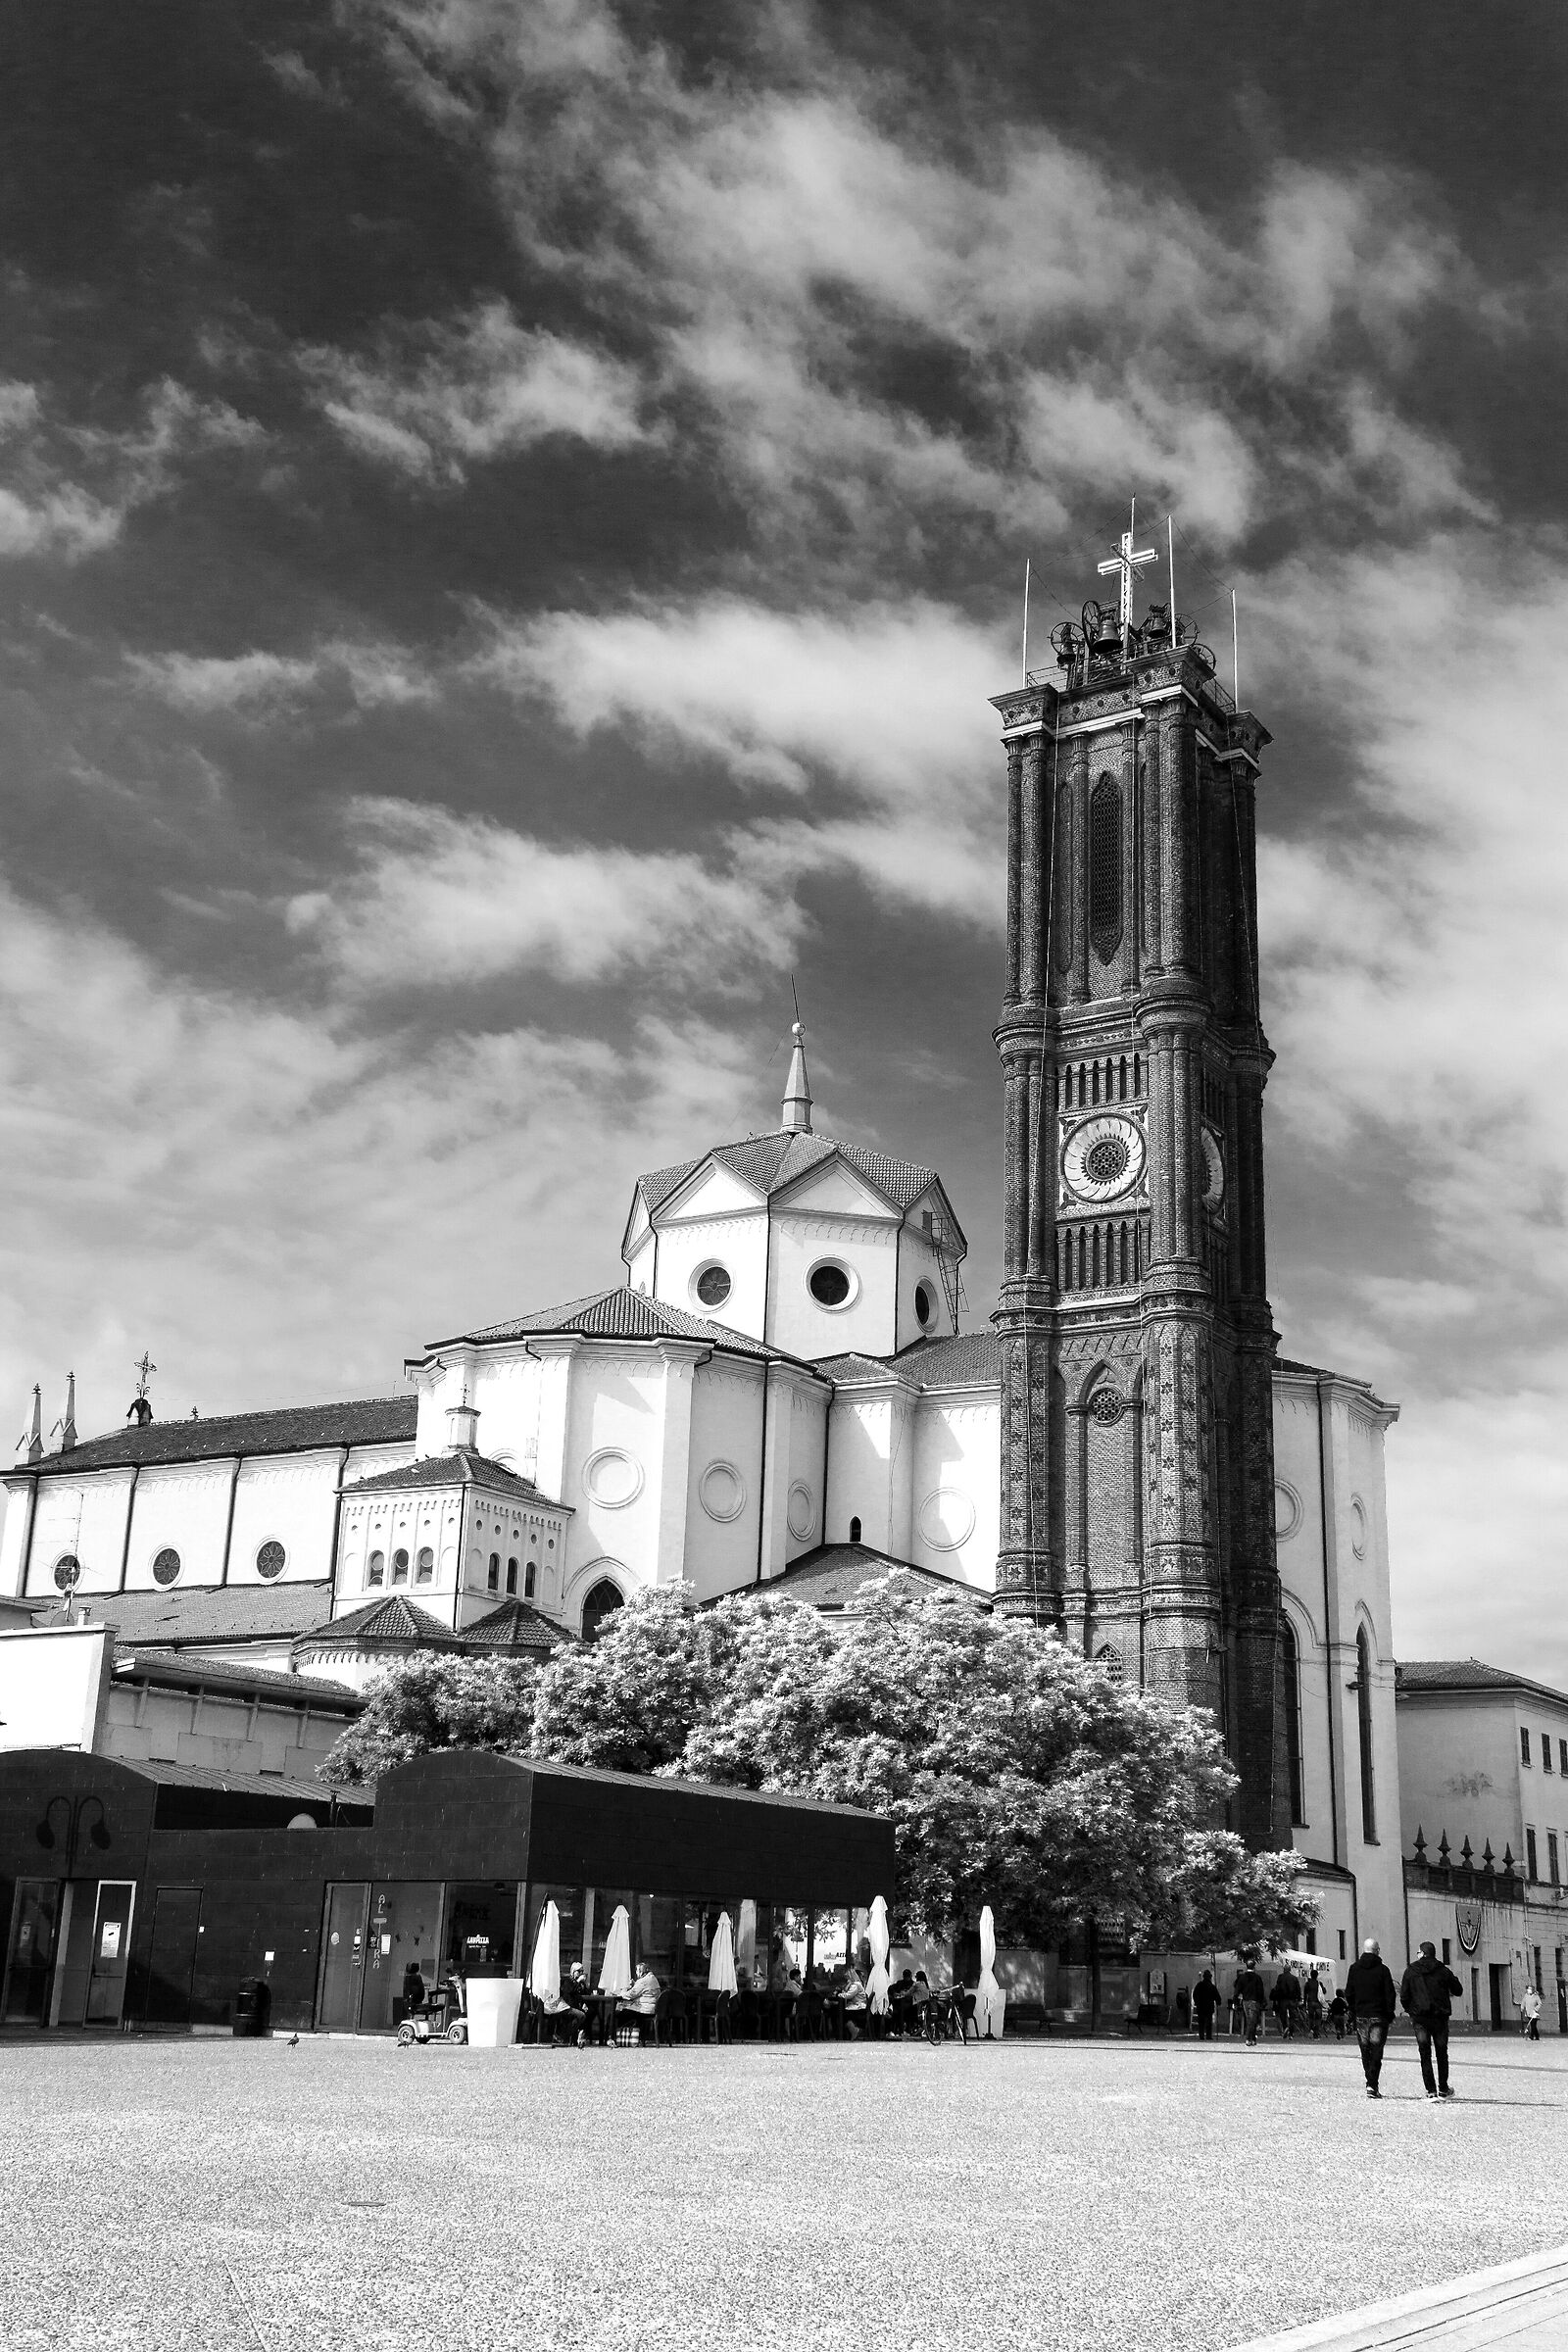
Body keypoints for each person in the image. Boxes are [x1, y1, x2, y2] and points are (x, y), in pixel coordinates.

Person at [1399, 1939, 1464, 2100]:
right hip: (1440, 2017)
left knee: (1424, 2052)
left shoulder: (1411, 1970)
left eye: (1418, 1952)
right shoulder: (1443, 1970)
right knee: (1442, 2052)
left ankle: (1430, 2091)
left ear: (1422, 1953)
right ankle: (1443, 2089)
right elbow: (1458, 1990)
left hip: (1420, 2018)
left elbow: (1404, 1995)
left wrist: (1411, 2010)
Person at [1346, 1936, 1398, 2098]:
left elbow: (1349, 1993)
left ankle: (1370, 2082)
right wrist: (1389, 2013)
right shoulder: (1383, 1970)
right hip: (1378, 2016)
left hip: (1361, 2015)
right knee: (1376, 2050)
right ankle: (1372, 2084)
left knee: (1365, 2050)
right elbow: (1390, 1994)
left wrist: (1354, 2010)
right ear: (1377, 1951)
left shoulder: (1354, 1969)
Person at [1234, 1959, 1267, 2046]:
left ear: (1246, 1967)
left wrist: (1235, 2002)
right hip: (1254, 2001)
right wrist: (1261, 2002)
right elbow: (1261, 1991)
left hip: (1245, 2001)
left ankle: (1252, 2038)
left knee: (1249, 2020)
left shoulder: (1242, 1978)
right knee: (1253, 2020)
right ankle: (1249, 2039)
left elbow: (1237, 1991)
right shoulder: (1257, 1978)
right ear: (1254, 1967)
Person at [839, 1962, 868, 2039]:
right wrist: (848, 1984)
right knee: (843, 2012)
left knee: (843, 2013)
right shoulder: (855, 1984)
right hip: (858, 2006)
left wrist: (839, 1995)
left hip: (859, 2008)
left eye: (848, 1977)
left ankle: (854, 2030)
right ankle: (852, 2031)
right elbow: (846, 1990)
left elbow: (849, 1995)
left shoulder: (856, 1985)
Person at [1273, 1964, 1301, 2040]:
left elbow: (1277, 1989)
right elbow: (1298, 1990)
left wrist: (1276, 1999)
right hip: (1292, 2000)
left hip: (1282, 2000)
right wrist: (1298, 1999)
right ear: (1290, 1970)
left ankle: (1285, 2027)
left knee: (1283, 2015)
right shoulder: (1294, 1978)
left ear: (1284, 1969)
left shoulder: (1280, 1977)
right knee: (1292, 2017)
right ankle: (1291, 2033)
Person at [1192, 1968, 1220, 2043]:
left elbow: (1194, 1995)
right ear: (1210, 1977)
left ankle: (1201, 2035)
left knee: (1201, 2021)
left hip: (1200, 2006)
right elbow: (1217, 1996)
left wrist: (1197, 2003)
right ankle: (1208, 2035)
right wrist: (1218, 2002)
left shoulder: (1199, 1985)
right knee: (1208, 2022)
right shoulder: (1212, 1986)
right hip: (1209, 2007)